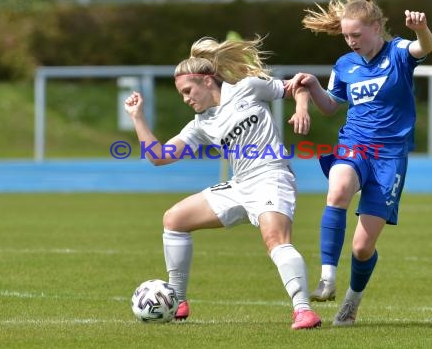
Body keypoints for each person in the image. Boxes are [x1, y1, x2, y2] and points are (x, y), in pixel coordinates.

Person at [124, 36, 322, 329]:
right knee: (174, 219)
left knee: (275, 240)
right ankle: (177, 300)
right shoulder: (201, 124)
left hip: (272, 176)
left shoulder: (248, 88)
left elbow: (299, 86)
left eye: (188, 91)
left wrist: (302, 108)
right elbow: (158, 156)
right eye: (181, 94)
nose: (186, 99)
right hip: (240, 185)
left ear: (206, 81)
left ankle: (303, 310)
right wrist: (137, 117)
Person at [292, 0, 432, 326]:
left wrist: (421, 28)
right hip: (355, 143)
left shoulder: (399, 51)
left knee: (361, 248)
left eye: (356, 34)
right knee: (338, 189)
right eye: (345, 36)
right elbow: (330, 107)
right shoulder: (345, 64)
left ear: (375, 28)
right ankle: (327, 277)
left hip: (389, 157)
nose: (351, 41)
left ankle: (351, 302)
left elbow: (424, 47)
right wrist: (313, 87)